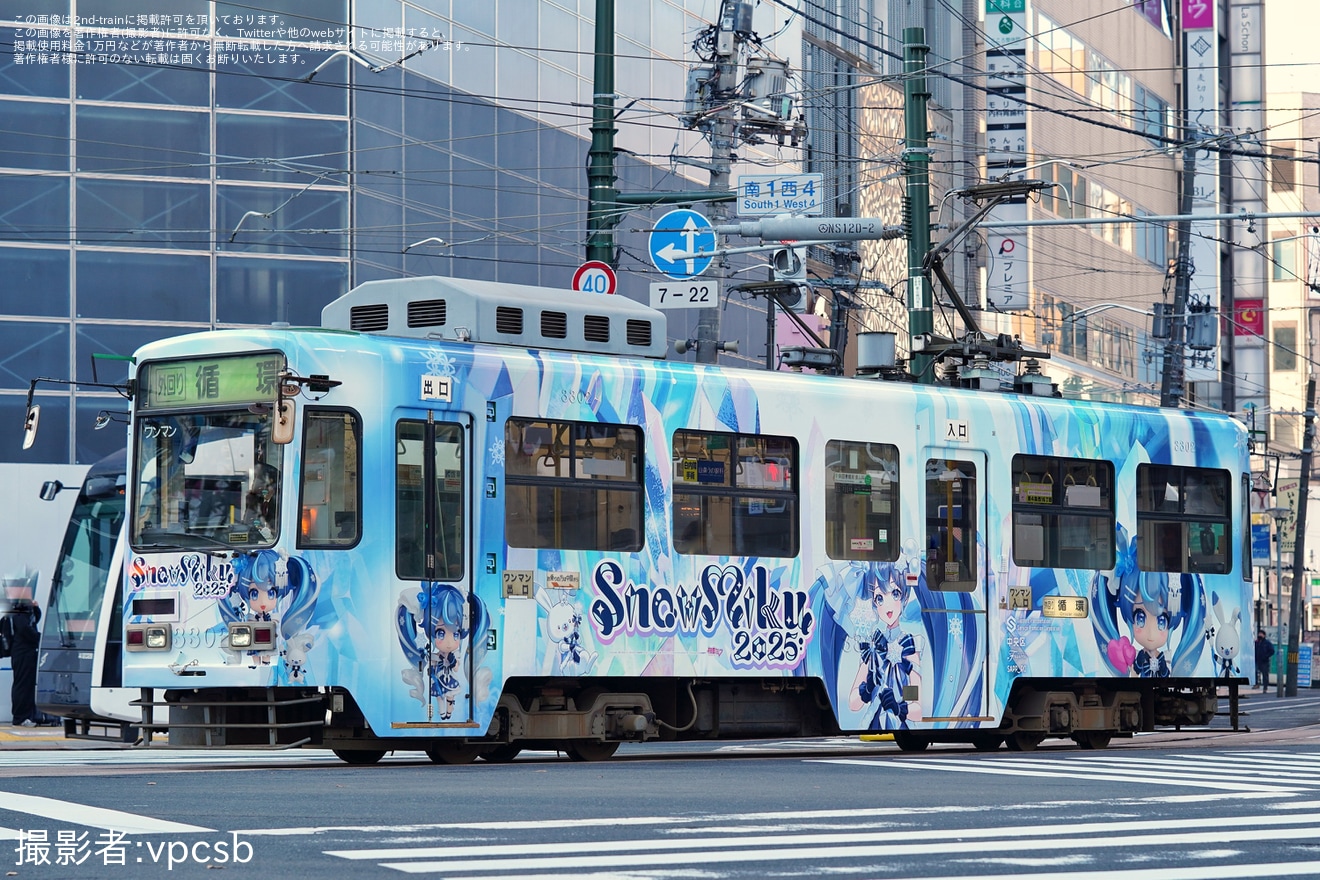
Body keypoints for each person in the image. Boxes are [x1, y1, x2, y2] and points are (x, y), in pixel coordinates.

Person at [7, 601, 51, 727]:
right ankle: (20, 717)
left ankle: (27, 715)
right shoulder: (18, 616)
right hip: (23, 655)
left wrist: (36, 608)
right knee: (22, 686)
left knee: (27, 686)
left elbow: (34, 620)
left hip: (28, 654)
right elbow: (27, 631)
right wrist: (43, 638)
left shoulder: (23, 614)